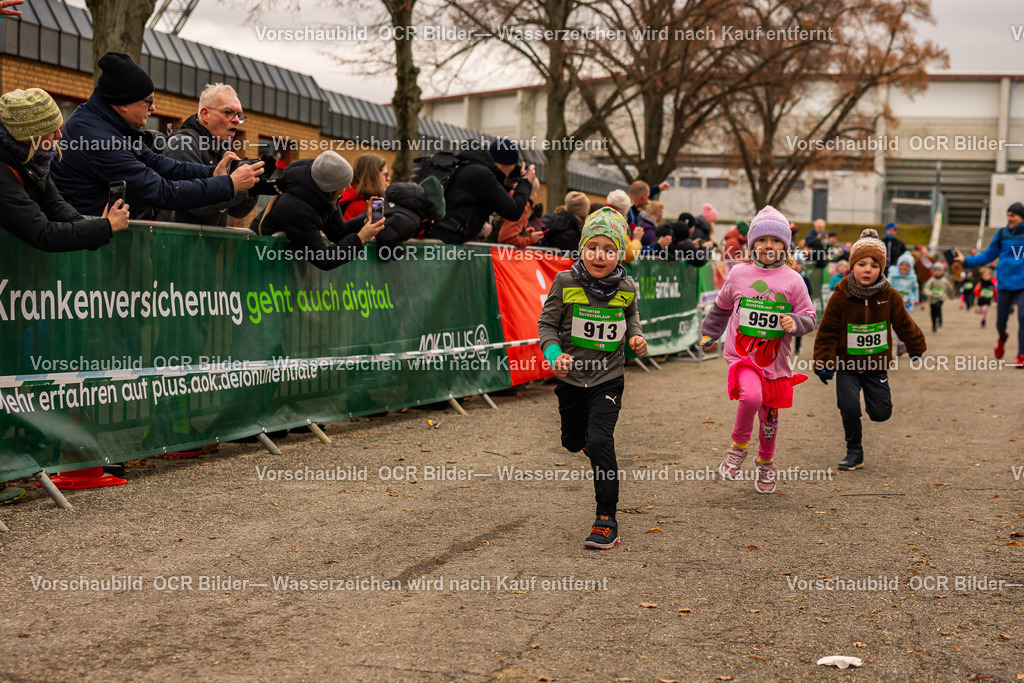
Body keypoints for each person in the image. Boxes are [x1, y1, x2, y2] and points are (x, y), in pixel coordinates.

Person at [538, 207, 647, 549]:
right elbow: (547, 325)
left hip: (608, 377)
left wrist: (635, 337)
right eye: (594, 247)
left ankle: (606, 518)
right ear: (582, 249)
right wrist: (555, 356)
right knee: (572, 442)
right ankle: (583, 440)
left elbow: (631, 317)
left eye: (609, 249)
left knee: (601, 441)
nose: (600, 255)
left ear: (619, 253)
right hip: (571, 379)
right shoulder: (565, 282)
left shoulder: (626, 286)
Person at [52, 52, 263, 219]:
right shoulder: (100, 140)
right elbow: (162, 192)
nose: (153, 108)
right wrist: (228, 185)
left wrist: (211, 172)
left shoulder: (109, 122)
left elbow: (158, 163)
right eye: (148, 101)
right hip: (81, 247)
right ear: (123, 103)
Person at [699, 206, 816, 494]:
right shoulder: (739, 273)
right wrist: (710, 333)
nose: (769, 246)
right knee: (751, 396)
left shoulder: (794, 280)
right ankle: (738, 446)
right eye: (762, 240)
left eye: (776, 241)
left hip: (776, 362)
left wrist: (795, 322)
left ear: (785, 246)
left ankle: (766, 462)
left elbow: (810, 318)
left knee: (769, 419)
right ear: (752, 244)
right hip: (744, 356)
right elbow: (722, 306)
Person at [813, 229, 927, 471]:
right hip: (848, 365)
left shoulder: (890, 296)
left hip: (876, 366)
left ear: (882, 269)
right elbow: (827, 332)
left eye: (874, 265)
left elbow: (904, 323)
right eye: (862, 264)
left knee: (880, 413)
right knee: (849, 406)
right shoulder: (840, 297)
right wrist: (824, 362)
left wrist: (915, 346)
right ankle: (854, 451)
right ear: (852, 266)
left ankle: (877, 404)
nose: (868, 269)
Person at [0, 88, 129, 251]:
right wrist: (106, 227)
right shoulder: (4, 172)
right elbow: (43, 234)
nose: (60, 136)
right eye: (52, 131)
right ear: (29, 136)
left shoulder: (35, 159)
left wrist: (95, 229)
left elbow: (55, 205)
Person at [250, 151, 383, 270]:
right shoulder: (297, 210)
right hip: (259, 259)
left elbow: (338, 233)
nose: (348, 188)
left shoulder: (325, 195)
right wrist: (361, 238)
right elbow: (324, 259)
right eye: (343, 185)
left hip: (279, 262)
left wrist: (365, 219)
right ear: (332, 187)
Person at [163, 83, 264, 226]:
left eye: (239, 115)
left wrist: (254, 185)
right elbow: (195, 204)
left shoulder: (221, 149)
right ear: (205, 114)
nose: (236, 120)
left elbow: (236, 212)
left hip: (204, 245)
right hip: (176, 245)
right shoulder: (183, 143)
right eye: (228, 112)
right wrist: (235, 185)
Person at [954, 202, 1024, 366]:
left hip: (1022, 285)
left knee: (1023, 317)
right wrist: (966, 261)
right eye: (1007, 215)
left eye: (1012, 216)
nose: (1009, 218)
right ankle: (1002, 337)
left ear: (1021, 217)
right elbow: (987, 256)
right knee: (1001, 322)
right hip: (1005, 284)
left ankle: (1021, 355)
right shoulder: (1001, 234)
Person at [431, 138, 534, 244]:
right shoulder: (482, 174)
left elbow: (489, 205)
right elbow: (513, 211)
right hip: (444, 241)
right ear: (506, 164)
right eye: (513, 167)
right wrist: (526, 182)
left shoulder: (471, 167)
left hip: (444, 237)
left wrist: (506, 186)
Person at [339, 154, 389, 221]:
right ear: (373, 177)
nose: (388, 178)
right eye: (385, 174)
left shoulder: (376, 202)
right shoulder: (359, 206)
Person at [923, 262, 955, 333]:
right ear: (933, 272)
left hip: (941, 298)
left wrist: (951, 296)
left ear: (942, 272)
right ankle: (934, 324)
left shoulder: (944, 280)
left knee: (938, 307)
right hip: (932, 299)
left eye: (939, 271)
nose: (937, 272)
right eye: (936, 271)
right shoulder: (931, 280)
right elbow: (926, 288)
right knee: (933, 312)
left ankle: (940, 319)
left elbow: (950, 288)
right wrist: (930, 293)